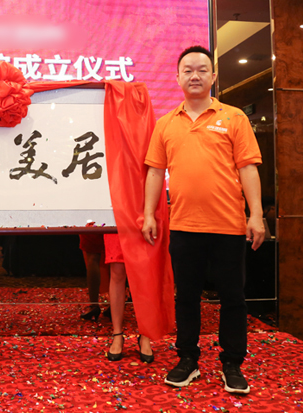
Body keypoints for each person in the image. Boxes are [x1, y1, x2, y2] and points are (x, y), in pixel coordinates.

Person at [142, 45, 264, 394]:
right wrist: (148, 213)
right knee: (187, 297)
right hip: (184, 226)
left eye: (201, 70)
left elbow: (248, 168)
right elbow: (155, 172)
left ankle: (232, 363)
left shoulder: (234, 118)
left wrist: (256, 215)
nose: (194, 76)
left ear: (213, 76)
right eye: (188, 70)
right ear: (177, 77)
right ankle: (187, 359)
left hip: (229, 225)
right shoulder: (166, 123)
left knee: (233, 298)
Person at [80, 232, 153, 362]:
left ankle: (145, 335)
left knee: (143, 272)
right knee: (117, 271)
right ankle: (117, 334)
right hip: (115, 222)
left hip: (140, 221)